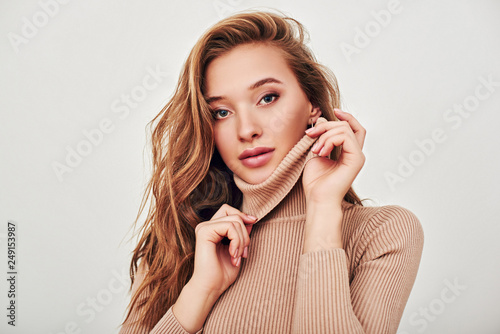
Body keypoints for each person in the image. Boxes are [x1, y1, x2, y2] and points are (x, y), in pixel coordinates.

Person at [119, 10, 424, 334]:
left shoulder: (382, 233)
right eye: (222, 112)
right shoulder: (175, 246)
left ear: (312, 105)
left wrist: (322, 208)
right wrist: (200, 292)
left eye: (267, 98)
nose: (247, 129)